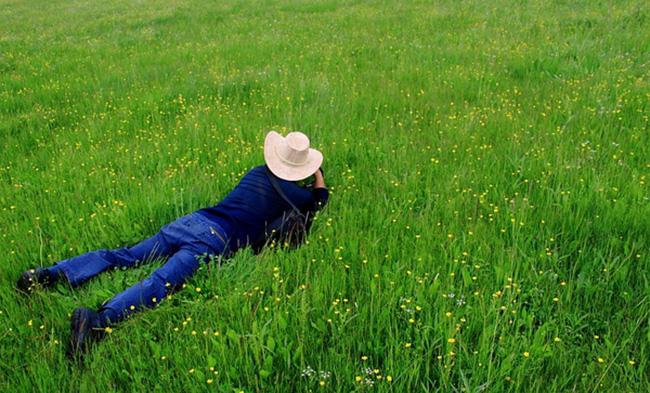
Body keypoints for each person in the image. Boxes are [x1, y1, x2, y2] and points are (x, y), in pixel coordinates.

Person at [16, 130, 328, 360]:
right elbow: (320, 199)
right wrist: (317, 176)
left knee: (124, 256)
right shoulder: (296, 196)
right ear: (298, 169)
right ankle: (97, 322)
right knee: (161, 282)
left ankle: (47, 274)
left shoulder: (255, 172)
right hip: (212, 240)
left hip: (190, 221)